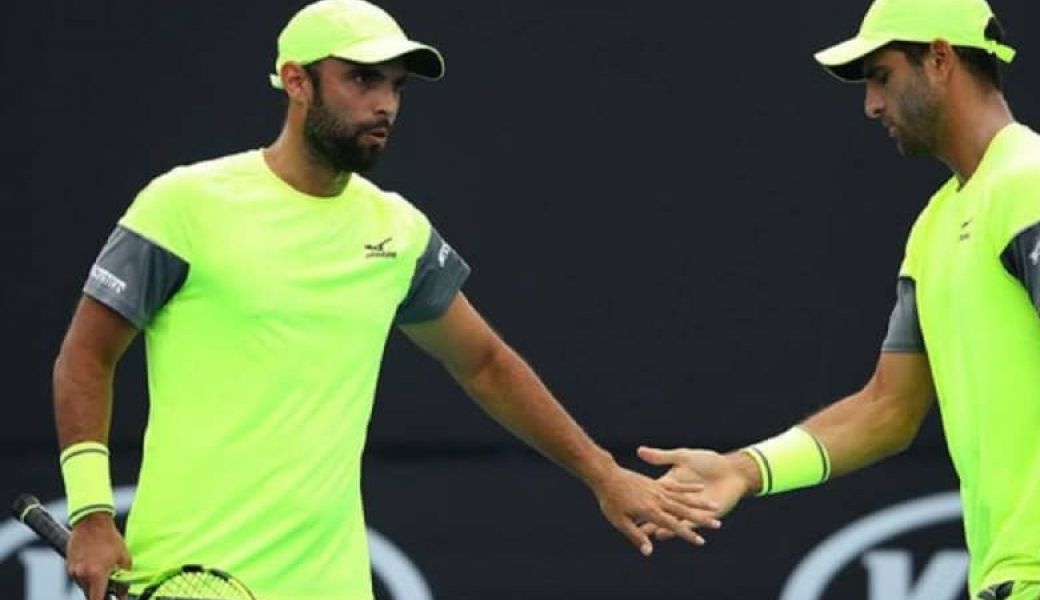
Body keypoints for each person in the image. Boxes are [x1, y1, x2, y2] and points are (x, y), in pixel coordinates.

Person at [51, 1, 719, 598]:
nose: (386, 105)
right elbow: (85, 359)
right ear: (296, 81)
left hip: (332, 586)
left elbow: (484, 363)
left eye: (396, 87)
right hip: (185, 574)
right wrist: (90, 514)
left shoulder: (396, 230)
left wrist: (603, 475)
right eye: (362, 79)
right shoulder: (183, 204)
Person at [638, 0, 1040, 598]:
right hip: (1021, 575)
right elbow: (887, 409)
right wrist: (746, 468)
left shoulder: (1032, 181)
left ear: (940, 58)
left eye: (882, 76)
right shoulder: (935, 224)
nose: (872, 104)